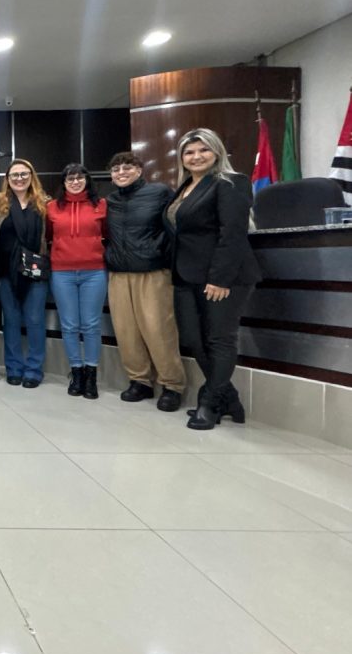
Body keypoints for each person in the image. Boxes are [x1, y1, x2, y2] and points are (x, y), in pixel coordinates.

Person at [165, 128, 261, 430]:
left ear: (217, 151)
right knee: (193, 339)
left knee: (219, 339)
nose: (196, 156)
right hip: (186, 275)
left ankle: (209, 403)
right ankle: (228, 398)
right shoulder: (184, 187)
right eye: (189, 152)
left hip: (223, 276)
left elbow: (232, 233)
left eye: (203, 150)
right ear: (182, 158)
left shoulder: (231, 182)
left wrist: (220, 278)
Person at [104, 151, 187, 411]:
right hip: (118, 273)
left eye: (127, 167)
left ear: (139, 170)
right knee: (126, 331)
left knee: (158, 330)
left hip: (152, 272)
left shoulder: (159, 192)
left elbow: (177, 225)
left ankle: (172, 385)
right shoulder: (110, 200)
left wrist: (160, 252)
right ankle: (140, 381)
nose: (121, 173)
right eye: (116, 169)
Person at [47, 164, 108, 400]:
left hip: (94, 272)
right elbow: (48, 236)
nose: (75, 182)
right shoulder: (52, 207)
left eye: (79, 178)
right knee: (70, 325)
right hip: (62, 272)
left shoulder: (100, 205)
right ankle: (77, 372)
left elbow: (108, 234)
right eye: (70, 179)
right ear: (63, 183)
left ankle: (91, 375)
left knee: (91, 325)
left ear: (87, 180)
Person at [0, 159, 49, 388]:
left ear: (31, 176)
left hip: (35, 271)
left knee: (35, 320)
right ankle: (14, 368)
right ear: (8, 179)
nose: (19, 178)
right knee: (11, 321)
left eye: (24, 174)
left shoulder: (44, 203)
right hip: (6, 271)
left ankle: (34, 369)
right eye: (14, 175)